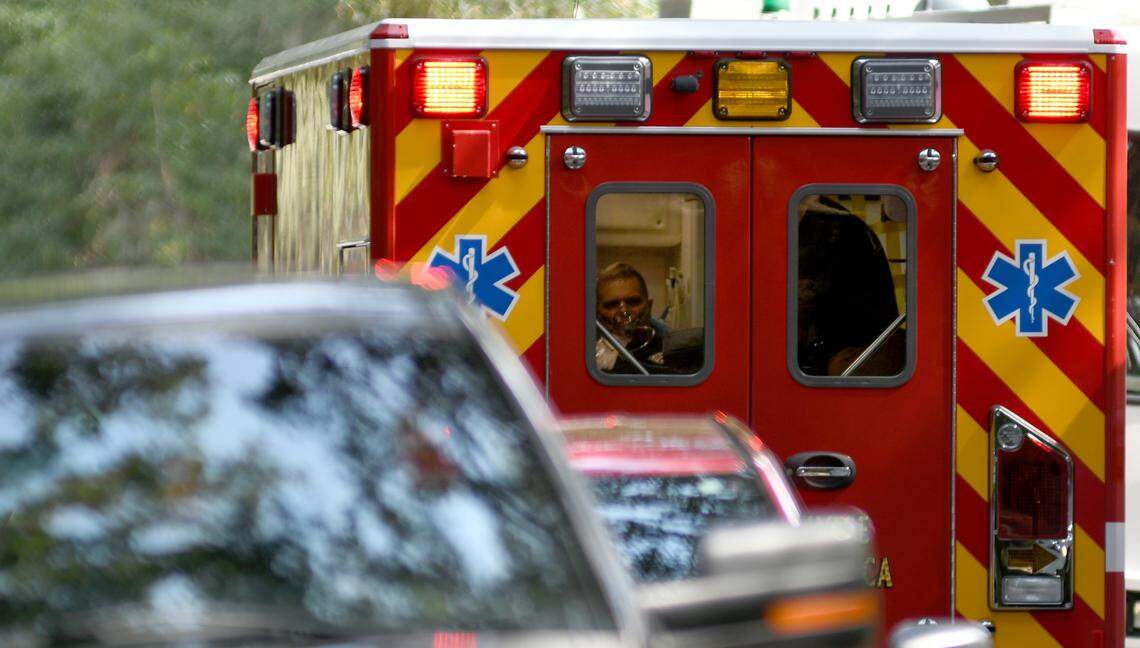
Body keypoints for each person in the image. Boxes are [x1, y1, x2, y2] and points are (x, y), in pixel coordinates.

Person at [796, 195, 905, 377]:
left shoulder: (831, 229)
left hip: (859, 348)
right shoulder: (831, 220)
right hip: (838, 344)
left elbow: (803, 304)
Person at [595, 263, 668, 374]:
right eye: (611, 305)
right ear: (597, 313)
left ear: (649, 306)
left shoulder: (672, 349)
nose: (624, 312)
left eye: (633, 302)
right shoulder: (585, 353)